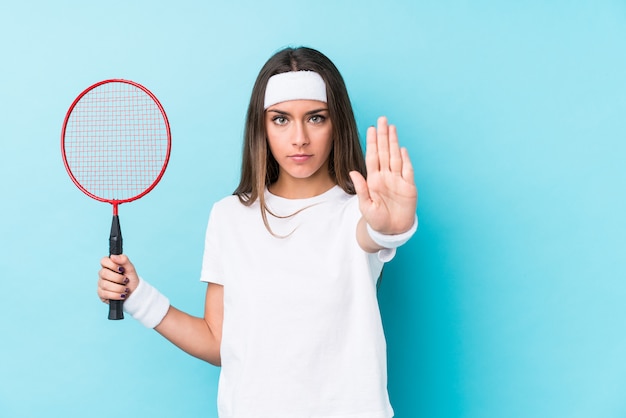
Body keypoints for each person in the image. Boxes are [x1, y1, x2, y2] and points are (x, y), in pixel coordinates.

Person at [97, 46, 418, 418]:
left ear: (337, 124)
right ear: (261, 127)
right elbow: (218, 342)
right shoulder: (229, 216)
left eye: (316, 118)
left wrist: (391, 228)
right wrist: (137, 296)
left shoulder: (358, 212)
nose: (299, 138)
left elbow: (372, 234)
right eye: (281, 119)